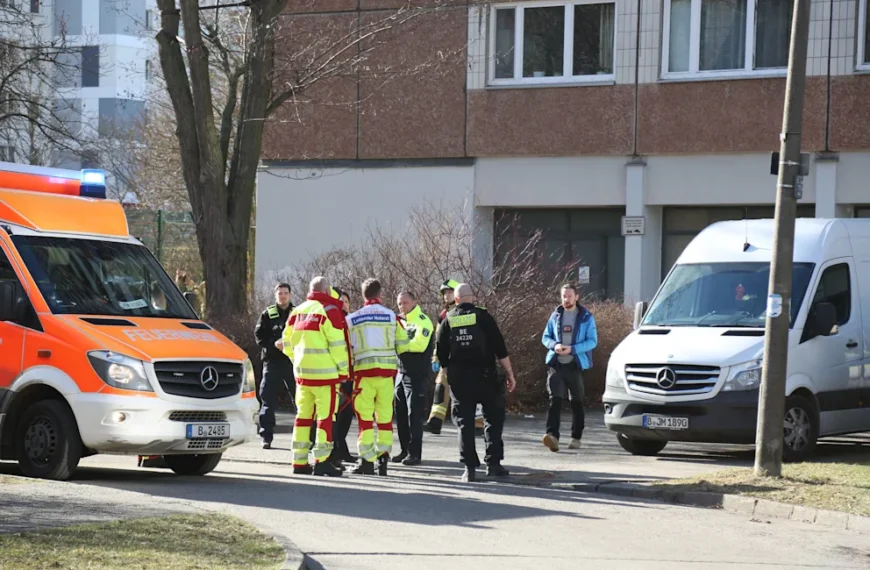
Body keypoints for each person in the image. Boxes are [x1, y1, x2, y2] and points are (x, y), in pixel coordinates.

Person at [435, 283, 516, 482]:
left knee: (464, 423)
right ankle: (493, 464)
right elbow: (500, 347)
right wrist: (510, 373)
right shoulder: (483, 317)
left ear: (456, 300)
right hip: (486, 377)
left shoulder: (448, 320)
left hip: (460, 380)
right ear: (473, 298)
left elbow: (441, 353)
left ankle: (469, 469)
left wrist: (448, 373)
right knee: (493, 420)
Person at [279, 276, 348, 477]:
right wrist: (343, 371)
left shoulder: (297, 311)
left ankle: (299, 461)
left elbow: (286, 342)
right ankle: (322, 461)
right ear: (326, 291)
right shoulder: (329, 311)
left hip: (303, 376)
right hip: (326, 377)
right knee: (325, 418)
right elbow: (337, 345)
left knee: (302, 418)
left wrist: (298, 361)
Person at [346, 278, 410, 475]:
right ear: (380, 294)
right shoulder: (392, 317)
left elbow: (346, 348)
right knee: (384, 418)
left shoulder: (352, 319)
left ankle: (366, 461)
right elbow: (404, 345)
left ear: (363, 295)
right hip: (386, 376)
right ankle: (383, 459)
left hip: (363, 376)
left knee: (365, 419)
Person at [540, 283, 598, 453]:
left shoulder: (586, 317)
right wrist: (555, 345)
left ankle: (576, 437)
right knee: (554, 400)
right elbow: (545, 337)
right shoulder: (555, 315)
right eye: (563, 296)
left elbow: (592, 341)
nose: (566, 299)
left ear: (577, 297)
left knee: (576, 401)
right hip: (556, 363)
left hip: (575, 364)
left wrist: (572, 349)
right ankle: (552, 436)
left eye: (569, 296)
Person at [426, 279, 485, 436]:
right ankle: (435, 421)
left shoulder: (471, 312)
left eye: (450, 292)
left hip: (467, 359)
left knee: (473, 390)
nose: (446, 295)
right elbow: (439, 339)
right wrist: (436, 359)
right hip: (448, 360)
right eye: (444, 293)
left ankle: (478, 424)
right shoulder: (443, 315)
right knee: (440, 388)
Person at [392, 290, 435, 466]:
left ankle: (414, 453)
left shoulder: (422, 321)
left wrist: (398, 345)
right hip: (401, 373)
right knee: (400, 413)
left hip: (416, 374)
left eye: (405, 303)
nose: (402, 306)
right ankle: (404, 450)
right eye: (400, 303)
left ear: (414, 302)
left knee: (414, 414)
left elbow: (418, 345)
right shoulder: (399, 321)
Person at [254, 283, 295, 449]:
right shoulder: (267, 313)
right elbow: (258, 336)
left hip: (292, 361)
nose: (283, 296)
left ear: (290, 295)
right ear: (275, 295)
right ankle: (266, 436)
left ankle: (308, 437)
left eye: (285, 293)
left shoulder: (297, 313)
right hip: (272, 360)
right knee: (267, 399)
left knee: (301, 399)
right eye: (280, 293)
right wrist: (274, 344)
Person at [328, 287, 357, 467]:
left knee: (346, 414)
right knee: (336, 414)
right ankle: (337, 449)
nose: (344, 304)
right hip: (337, 374)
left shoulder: (353, 321)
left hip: (351, 373)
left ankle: (341, 447)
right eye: (342, 301)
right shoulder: (333, 319)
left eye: (346, 301)